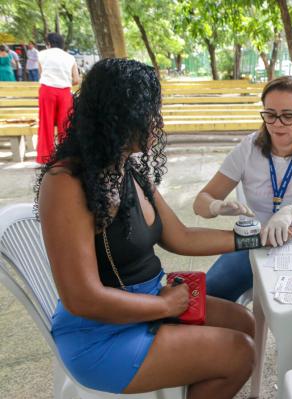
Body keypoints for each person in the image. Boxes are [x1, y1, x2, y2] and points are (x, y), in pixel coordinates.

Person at [35, 59, 257, 399]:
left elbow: (180, 237)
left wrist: (255, 238)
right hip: (101, 333)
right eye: (148, 111)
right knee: (240, 351)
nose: (157, 122)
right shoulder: (66, 183)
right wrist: (165, 307)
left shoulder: (126, 167)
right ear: (115, 116)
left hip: (147, 303)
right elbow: (82, 298)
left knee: (245, 324)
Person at [194, 75, 292, 302]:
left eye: (287, 116)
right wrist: (216, 206)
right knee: (203, 298)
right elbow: (200, 203)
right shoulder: (249, 148)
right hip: (258, 241)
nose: (277, 123)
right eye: (270, 114)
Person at [37, 32, 80, 164]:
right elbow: (76, 80)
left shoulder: (42, 54)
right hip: (64, 92)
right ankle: (65, 156)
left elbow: (41, 74)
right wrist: (65, 82)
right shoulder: (70, 57)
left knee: (46, 123)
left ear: (48, 43)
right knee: (65, 124)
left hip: (47, 90)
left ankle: (45, 157)